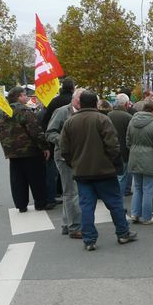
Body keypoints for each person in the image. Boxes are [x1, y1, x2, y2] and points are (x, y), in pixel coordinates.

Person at [60, 90, 137, 251]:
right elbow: (113, 145)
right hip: (104, 170)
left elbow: (64, 149)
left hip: (82, 171)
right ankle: (123, 233)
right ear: (95, 103)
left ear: (80, 103)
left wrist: (73, 163)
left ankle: (89, 239)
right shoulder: (103, 119)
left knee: (87, 206)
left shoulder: (70, 122)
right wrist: (115, 164)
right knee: (115, 203)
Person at [0, 86, 52, 213]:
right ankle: (40, 203)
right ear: (19, 97)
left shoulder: (3, 112)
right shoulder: (24, 111)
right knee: (36, 178)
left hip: (13, 153)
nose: (27, 97)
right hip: (30, 151)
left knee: (18, 180)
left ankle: (21, 205)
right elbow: (35, 131)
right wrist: (44, 147)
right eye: (25, 95)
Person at [46, 88, 83, 238]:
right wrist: (64, 141)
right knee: (71, 192)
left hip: (78, 156)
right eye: (79, 99)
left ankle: (66, 224)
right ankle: (74, 227)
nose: (81, 102)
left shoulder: (82, 112)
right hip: (63, 156)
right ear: (74, 99)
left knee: (72, 192)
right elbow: (50, 133)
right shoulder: (62, 112)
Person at [125, 99, 153, 225]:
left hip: (134, 157)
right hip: (150, 158)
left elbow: (127, 141)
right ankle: (147, 217)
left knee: (137, 187)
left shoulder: (132, 122)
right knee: (148, 189)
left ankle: (135, 214)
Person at [108, 94, 133, 199]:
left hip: (109, 150)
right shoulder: (128, 117)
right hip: (124, 151)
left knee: (115, 177)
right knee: (122, 176)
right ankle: (119, 200)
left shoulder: (108, 115)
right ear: (126, 104)